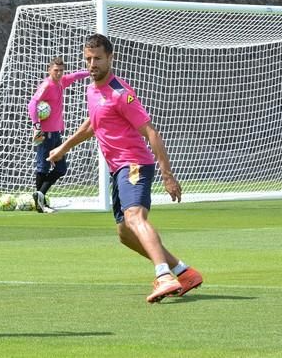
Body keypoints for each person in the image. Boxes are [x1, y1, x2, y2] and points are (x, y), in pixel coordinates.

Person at [47, 34, 202, 303]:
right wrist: (63, 148)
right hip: (117, 169)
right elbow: (91, 125)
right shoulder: (92, 90)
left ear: (110, 58)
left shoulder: (122, 95)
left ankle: (164, 276)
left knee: (134, 218)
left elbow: (151, 132)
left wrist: (167, 175)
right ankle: (183, 271)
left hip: (134, 164)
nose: (92, 63)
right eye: (88, 59)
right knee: (125, 234)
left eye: (97, 58)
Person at [27, 57, 88, 213]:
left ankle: (40, 195)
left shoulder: (61, 82)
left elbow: (75, 76)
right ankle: (40, 205)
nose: (59, 73)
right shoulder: (47, 84)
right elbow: (32, 104)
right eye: (56, 70)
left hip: (56, 133)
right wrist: (36, 126)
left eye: (61, 70)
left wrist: (90, 72)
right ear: (49, 70)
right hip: (44, 133)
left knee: (61, 168)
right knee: (43, 166)